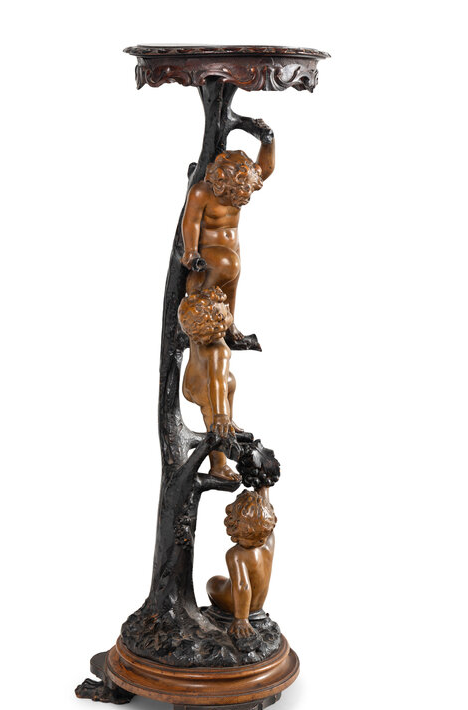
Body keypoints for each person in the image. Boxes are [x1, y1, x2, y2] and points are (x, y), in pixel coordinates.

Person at [181, 121, 275, 342]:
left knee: (231, 286)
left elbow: (265, 169)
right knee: (224, 269)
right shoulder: (201, 192)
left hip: (232, 246)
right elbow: (191, 222)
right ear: (222, 183)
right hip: (209, 249)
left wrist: (268, 142)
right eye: (232, 196)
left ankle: (229, 324)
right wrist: (191, 252)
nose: (237, 202)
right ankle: (202, 315)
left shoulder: (240, 188)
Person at [178, 286, 240, 480]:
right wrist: (220, 415)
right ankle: (218, 466)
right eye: (224, 313)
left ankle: (228, 419)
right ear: (216, 323)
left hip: (190, 383)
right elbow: (216, 384)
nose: (228, 309)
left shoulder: (197, 334)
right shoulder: (218, 351)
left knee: (231, 380)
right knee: (215, 427)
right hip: (206, 391)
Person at [206, 489, 276, 638]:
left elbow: (243, 586)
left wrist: (241, 619)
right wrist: (264, 489)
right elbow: (266, 508)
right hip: (258, 606)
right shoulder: (268, 543)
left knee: (213, 583)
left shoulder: (236, 554)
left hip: (238, 605)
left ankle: (228, 615)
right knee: (223, 581)